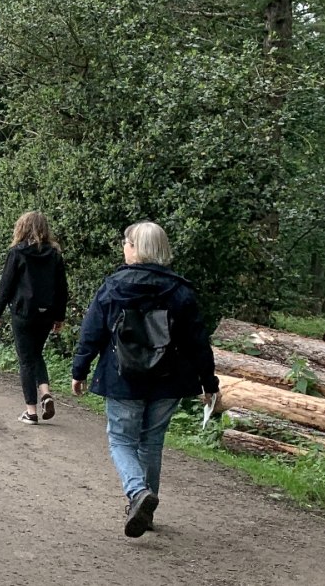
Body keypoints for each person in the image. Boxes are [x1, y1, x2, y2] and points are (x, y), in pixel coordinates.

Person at [71, 221, 219, 538]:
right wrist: (209, 382)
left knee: (122, 440)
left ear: (136, 248)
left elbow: (92, 332)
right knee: (151, 443)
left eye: (126, 242)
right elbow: (197, 342)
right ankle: (144, 512)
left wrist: (79, 370)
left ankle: (138, 493)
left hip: (124, 379)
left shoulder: (114, 286)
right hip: (168, 381)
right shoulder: (180, 291)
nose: (123, 247)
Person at [0, 211, 69, 425]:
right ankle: (45, 392)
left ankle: (31, 411)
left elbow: (5, 286)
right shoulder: (54, 254)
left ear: (22, 228)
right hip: (47, 312)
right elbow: (62, 289)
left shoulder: (18, 253)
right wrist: (59, 317)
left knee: (26, 360)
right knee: (36, 353)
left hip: (23, 312)